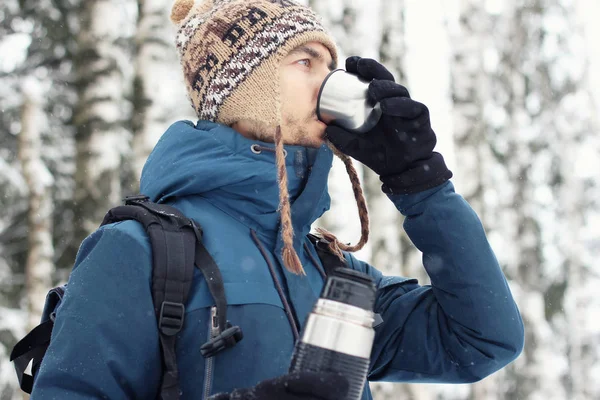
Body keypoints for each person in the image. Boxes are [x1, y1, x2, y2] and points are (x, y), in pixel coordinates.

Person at [30, 0, 524, 399]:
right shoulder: (140, 250)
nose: (331, 82)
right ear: (247, 89)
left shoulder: (328, 270)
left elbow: (481, 342)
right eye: (305, 62)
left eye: (330, 64)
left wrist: (421, 184)